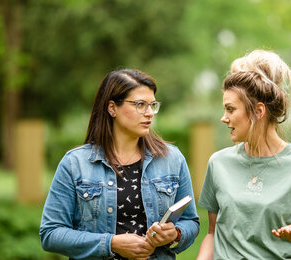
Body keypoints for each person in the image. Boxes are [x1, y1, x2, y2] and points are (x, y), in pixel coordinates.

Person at [40, 69, 199, 260]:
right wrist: (111, 243)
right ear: (112, 108)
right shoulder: (75, 164)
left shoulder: (172, 159)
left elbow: (191, 221)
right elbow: (51, 234)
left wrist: (175, 233)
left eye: (152, 105)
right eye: (140, 105)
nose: (149, 113)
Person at [197, 50, 291, 260]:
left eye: (230, 109)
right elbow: (212, 233)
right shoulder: (218, 163)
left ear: (258, 111)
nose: (223, 118)